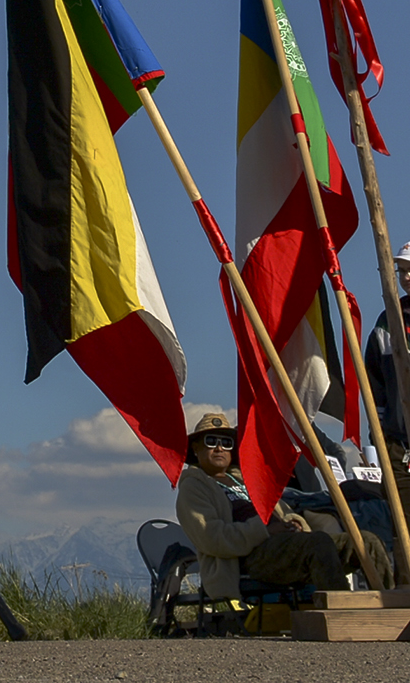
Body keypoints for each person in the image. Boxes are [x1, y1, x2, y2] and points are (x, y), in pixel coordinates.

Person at [173, 406, 346, 601]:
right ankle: (343, 612)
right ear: (196, 449)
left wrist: (294, 523)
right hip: (246, 559)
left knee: (363, 543)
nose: (220, 448)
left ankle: (372, 610)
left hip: (284, 545)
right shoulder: (194, 487)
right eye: (211, 441)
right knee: (319, 543)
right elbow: (213, 538)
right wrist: (265, 530)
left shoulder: (247, 479)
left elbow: (283, 510)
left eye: (227, 443)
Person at [362, 241, 410, 449]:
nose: (406, 277)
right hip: (397, 441)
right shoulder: (388, 321)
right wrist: (379, 433)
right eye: (402, 271)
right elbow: (375, 381)